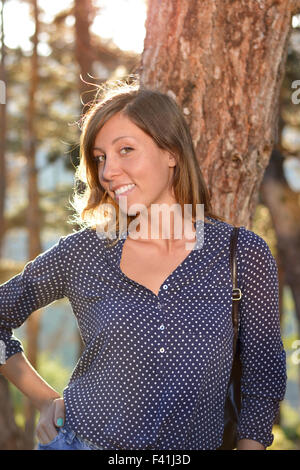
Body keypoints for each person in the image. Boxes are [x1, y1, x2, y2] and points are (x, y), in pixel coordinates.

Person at [0, 79, 287, 450]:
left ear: (171, 152)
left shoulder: (240, 253)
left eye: (126, 150)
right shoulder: (84, 252)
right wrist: (43, 398)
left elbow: (263, 371)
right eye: (101, 157)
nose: (108, 171)